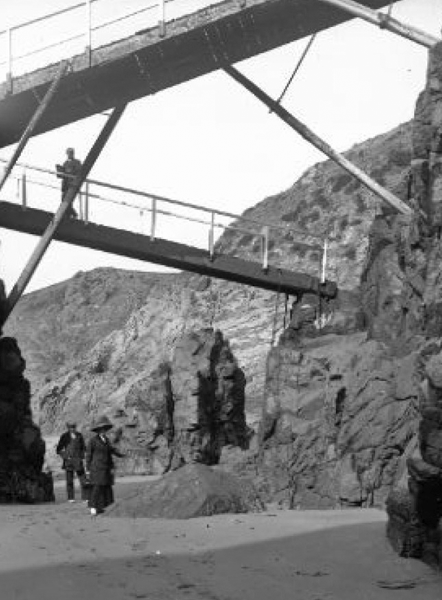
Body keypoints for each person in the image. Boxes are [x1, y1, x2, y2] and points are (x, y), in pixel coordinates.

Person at [86, 415, 124, 516]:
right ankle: (93, 507)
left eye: (104, 429)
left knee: (105, 488)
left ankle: (102, 507)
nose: (103, 430)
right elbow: (88, 455)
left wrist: (122, 454)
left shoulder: (106, 440)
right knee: (97, 487)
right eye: (101, 429)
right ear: (98, 430)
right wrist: (88, 469)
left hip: (106, 467)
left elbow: (112, 451)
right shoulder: (93, 441)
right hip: (96, 468)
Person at [56, 421, 88, 503]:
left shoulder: (79, 435)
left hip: (78, 461)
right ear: (68, 428)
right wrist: (66, 456)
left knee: (83, 480)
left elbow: (83, 448)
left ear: (75, 427)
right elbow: (58, 449)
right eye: (70, 427)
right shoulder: (64, 436)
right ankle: (71, 498)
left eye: (73, 427)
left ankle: (85, 498)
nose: (72, 428)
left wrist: (82, 457)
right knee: (69, 481)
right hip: (68, 461)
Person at [56, 147, 81, 218]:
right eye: (69, 153)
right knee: (63, 201)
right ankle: (70, 215)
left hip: (72, 185)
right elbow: (62, 175)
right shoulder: (65, 163)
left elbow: (79, 173)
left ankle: (73, 215)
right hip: (65, 185)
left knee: (68, 202)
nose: (70, 154)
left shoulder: (77, 162)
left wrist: (69, 172)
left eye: (71, 153)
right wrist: (59, 171)